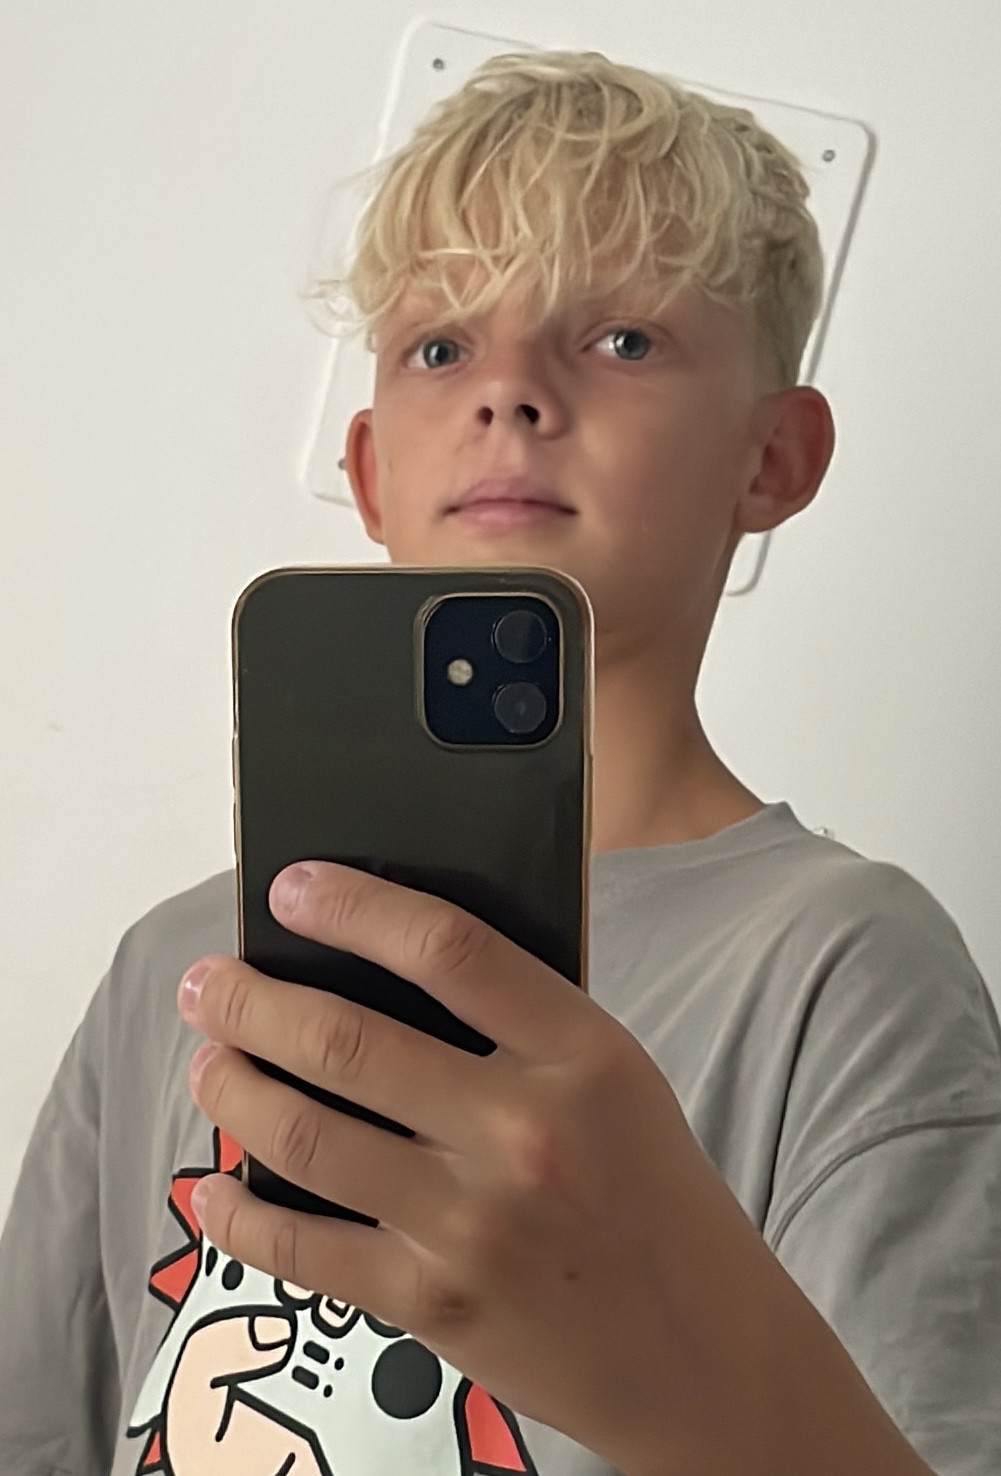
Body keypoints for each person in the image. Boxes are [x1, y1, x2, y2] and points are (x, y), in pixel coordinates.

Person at [1, 49, 998, 1476]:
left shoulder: (841, 969)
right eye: (439, 348)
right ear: (369, 470)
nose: (511, 393)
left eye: (624, 338)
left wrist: (682, 1370)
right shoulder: (179, 964)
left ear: (772, 458)